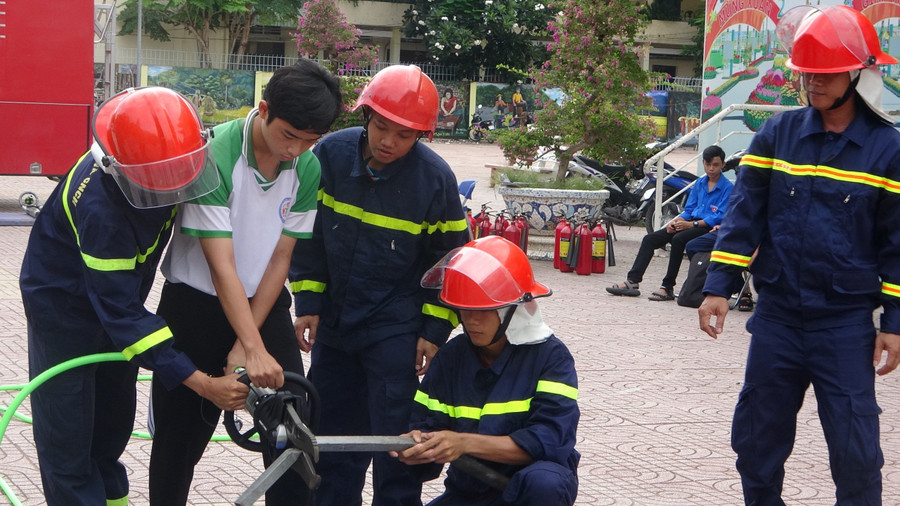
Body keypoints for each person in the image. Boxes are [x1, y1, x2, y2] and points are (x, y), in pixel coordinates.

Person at [699, 6, 900, 504]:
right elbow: (745, 217)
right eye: (807, 72)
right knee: (756, 444)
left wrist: (894, 321)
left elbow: (897, 244)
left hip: (845, 325)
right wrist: (717, 287)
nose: (813, 83)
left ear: (858, 73)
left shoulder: (887, 151)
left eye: (827, 74)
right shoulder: (777, 135)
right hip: (778, 319)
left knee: (856, 456)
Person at [19, 87, 248, 506]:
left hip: (119, 306)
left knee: (110, 428)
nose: (171, 188)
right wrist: (201, 383)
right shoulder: (102, 209)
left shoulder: (168, 162)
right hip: (66, 313)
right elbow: (120, 312)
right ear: (119, 168)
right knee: (69, 441)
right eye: (159, 181)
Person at [147, 60, 342, 505]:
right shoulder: (214, 156)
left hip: (262, 303)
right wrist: (249, 347)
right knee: (180, 440)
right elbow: (222, 266)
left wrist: (249, 341)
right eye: (289, 135)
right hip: (195, 305)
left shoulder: (307, 168)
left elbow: (280, 258)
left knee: (291, 426)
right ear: (264, 109)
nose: (296, 150)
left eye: (310, 140)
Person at [289, 64, 470, 506]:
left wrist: (433, 331)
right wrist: (308, 300)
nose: (389, 141)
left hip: (396, 330)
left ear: (421, 136)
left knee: (397, 445)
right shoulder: (327, 156)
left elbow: (451, 263)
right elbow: (304, 236)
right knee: (331, 440)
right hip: (335, 325)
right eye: (382, 127)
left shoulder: (434, 179)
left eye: (404, 135)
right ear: (366, 116)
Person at [392, 236, 580, 506]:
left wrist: (463, 443)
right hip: (468, 492)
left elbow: (549, 442)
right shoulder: (451, 358)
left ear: (511, 311)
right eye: (465, 311)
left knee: (545, 482)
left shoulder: (551, 357)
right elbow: (427, 430)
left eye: (483, 311)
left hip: (529, 494)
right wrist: (419, 447)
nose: (472, 321)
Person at [607, 145, 733, 300]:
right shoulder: (700, 183)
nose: (711, 168)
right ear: (703, 163)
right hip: (690, 222)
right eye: (708, 164)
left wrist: (690, 224)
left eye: (715, 165)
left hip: (707, 228)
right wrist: (678, 220)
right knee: (650, 239)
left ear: (723, 165)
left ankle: (667, 287)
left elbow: (719, 216)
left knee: (678, 240)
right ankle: (633, 280)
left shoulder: (728, 188)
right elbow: (689, 209)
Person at [685, 227, 753, 311]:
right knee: (692, 246)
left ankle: (743, 292)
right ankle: (738, 287)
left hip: (753, 234)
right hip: (729, 228)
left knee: (732, 249)